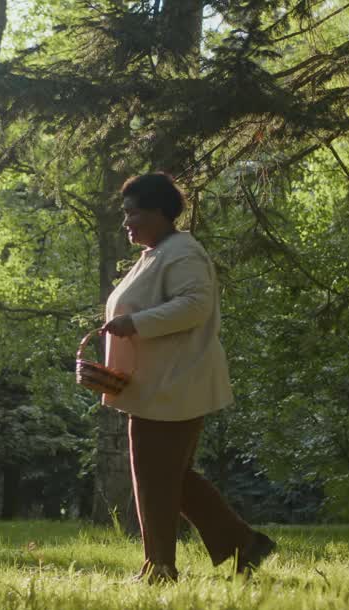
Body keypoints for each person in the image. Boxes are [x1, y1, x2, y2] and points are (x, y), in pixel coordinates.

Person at [101, 172, 276, 583]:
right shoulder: (157, 253)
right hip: (155, 384)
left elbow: (195, 306)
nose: (126, 222)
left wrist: (136, 323)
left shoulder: (183, 252)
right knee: (168, 476)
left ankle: (160, 567)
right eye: (124, 214)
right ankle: (242, 545)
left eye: (133, 213)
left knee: (157, 478)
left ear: (160, 213)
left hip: (176, 383)